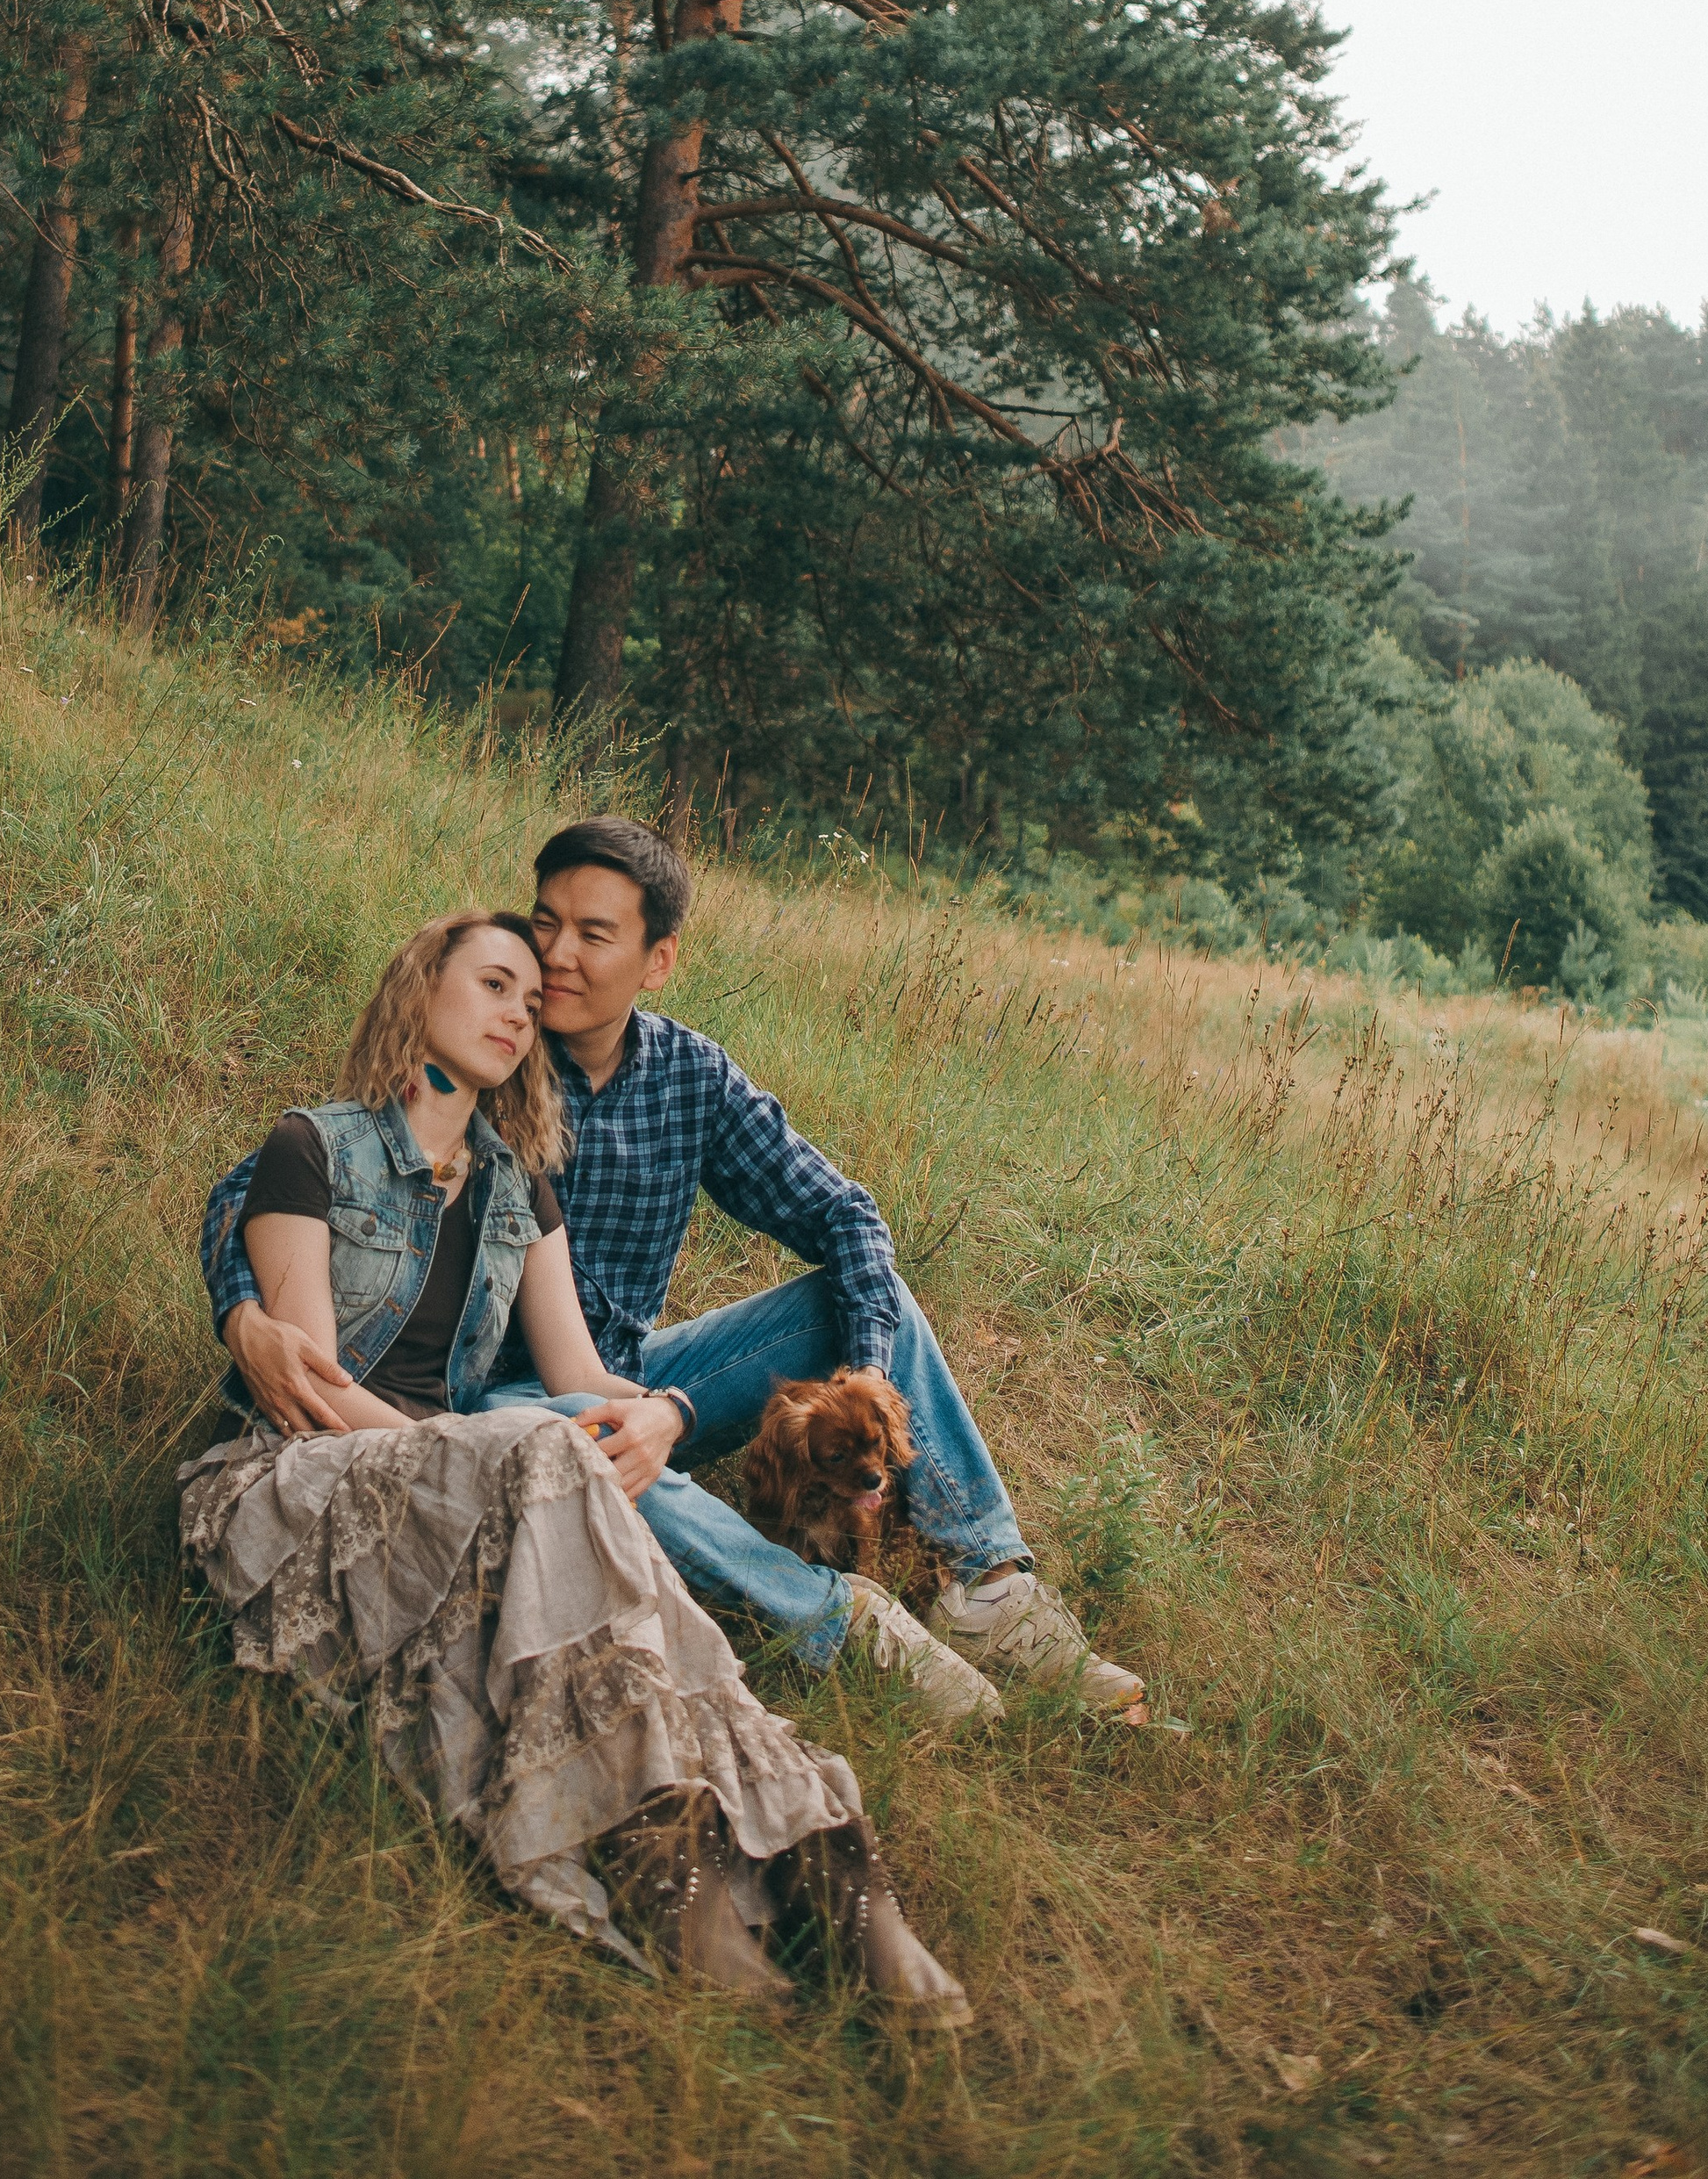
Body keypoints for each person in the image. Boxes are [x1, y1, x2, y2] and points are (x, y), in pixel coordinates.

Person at [181, 908, 970, 2017]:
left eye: (526, 997)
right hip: (305, 1470)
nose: (520, 1010)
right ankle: (669, 1864)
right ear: (419, 993)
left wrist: (656, 1417)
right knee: (545, 1449)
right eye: (494, 984)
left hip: (471, 1473)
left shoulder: (516, 1184)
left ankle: (824, 1858)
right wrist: (498, 1449)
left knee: (578, 1452)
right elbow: (308, 1392)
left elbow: (577, 1370)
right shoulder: (314, 1147)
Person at [205, 822, 1145, 1727]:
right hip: (486, 1401)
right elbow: (272, 1181)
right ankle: (830, 1618)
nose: (556, 956)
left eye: (592, 934)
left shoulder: (689, 1075)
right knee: (582, 1433)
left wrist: (842, 1377)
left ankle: (989, 1588)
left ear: (656, 961)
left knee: (862, 1292)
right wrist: (244, 1315)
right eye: (545, 922)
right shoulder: (492, 1045)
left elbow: (844, 1215)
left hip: (618, 1370)